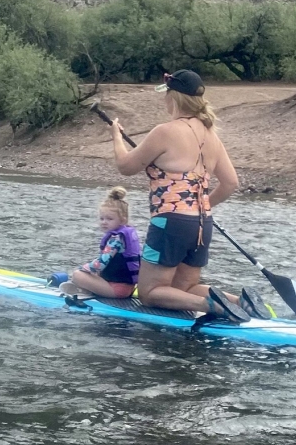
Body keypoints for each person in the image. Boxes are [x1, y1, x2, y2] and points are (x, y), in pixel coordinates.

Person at [107, 69, 267, 322]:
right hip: (203, 222)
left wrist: (116, 136)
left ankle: (212, 306)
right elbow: (230, 183)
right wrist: (199, 207)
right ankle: (239, 302)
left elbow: (125, 167)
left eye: (166, 94)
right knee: (183, 289)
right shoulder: (211, 135)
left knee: (149, 292)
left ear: (173, 97)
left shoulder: (165, 131)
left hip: (170, 221)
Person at [60, 187, 141, 299]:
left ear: (122, 220)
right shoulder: (126, 235)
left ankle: (81, 288)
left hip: (117, 290)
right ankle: (83, 288)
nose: (104, 222)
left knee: (77, 275)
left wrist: (81, 268)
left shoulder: (115, 239)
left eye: (109, 219)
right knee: (91, 272)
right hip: (127, 288)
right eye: (102, 218)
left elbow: (100, 264)